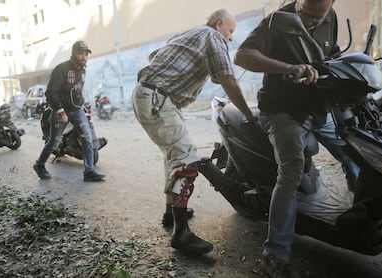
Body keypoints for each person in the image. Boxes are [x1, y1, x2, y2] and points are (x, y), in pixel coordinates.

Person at [132, 8, 256, 255]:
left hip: (149, 95)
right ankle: (181, 233)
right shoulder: (213, 36)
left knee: (174, 158)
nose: (230, 38)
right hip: (158, 99)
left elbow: (154, 55)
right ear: (219, 24)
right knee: (187, 159)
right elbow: (227, 78)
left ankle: (171, 213)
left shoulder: (189, 34)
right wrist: (248, 115)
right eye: (230, 31)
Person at [234, 0, 338, 277]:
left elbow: (333, 54)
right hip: (281, 110)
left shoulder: (331, 17)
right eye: (306, 15)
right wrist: (288, 68)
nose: (311, 23)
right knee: (290, 172)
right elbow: (242, 56)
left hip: (318, 109)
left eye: (319, 17)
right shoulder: (276, 20)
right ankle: (275, 256)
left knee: (355, 147)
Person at [33, 40, 106, 182]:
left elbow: (76, 91)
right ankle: (39, 164)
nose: (84, 57)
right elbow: (51, 92)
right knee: (53, 142)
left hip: (77, 110)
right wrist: (60, 111)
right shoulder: (62, 69)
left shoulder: (82, 70)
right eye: (81, 53)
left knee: (87, 138)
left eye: (86, 54)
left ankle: (89, 171)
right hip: (61, 111)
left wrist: (82, 105)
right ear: (73, 53)